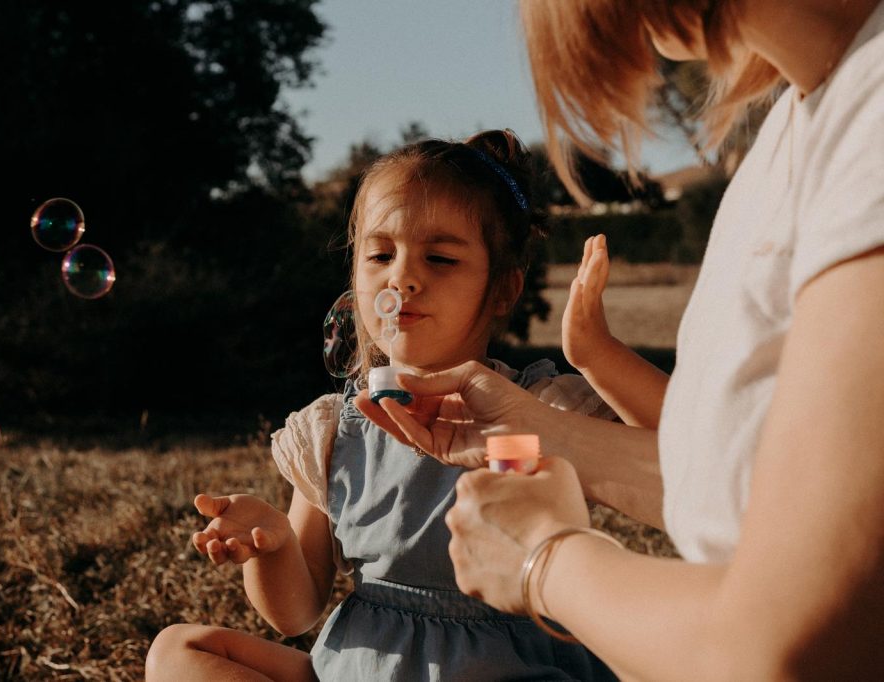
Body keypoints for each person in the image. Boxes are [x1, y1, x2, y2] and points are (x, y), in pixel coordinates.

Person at [361, 0, 884, 679]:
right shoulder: (799, 126)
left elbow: (796, 646)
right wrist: (534, 430)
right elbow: (763, 505)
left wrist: (543, 559)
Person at [144, 129, 620, 681]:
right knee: (177, 652)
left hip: (503, 669)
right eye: (379, 254)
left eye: (440, 258)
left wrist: (598, 356)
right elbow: (296, 613)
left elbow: (674, 453)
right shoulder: (333, 430)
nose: (403, 277)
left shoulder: (541, 412)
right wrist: (271, 545)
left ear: (503, 291)